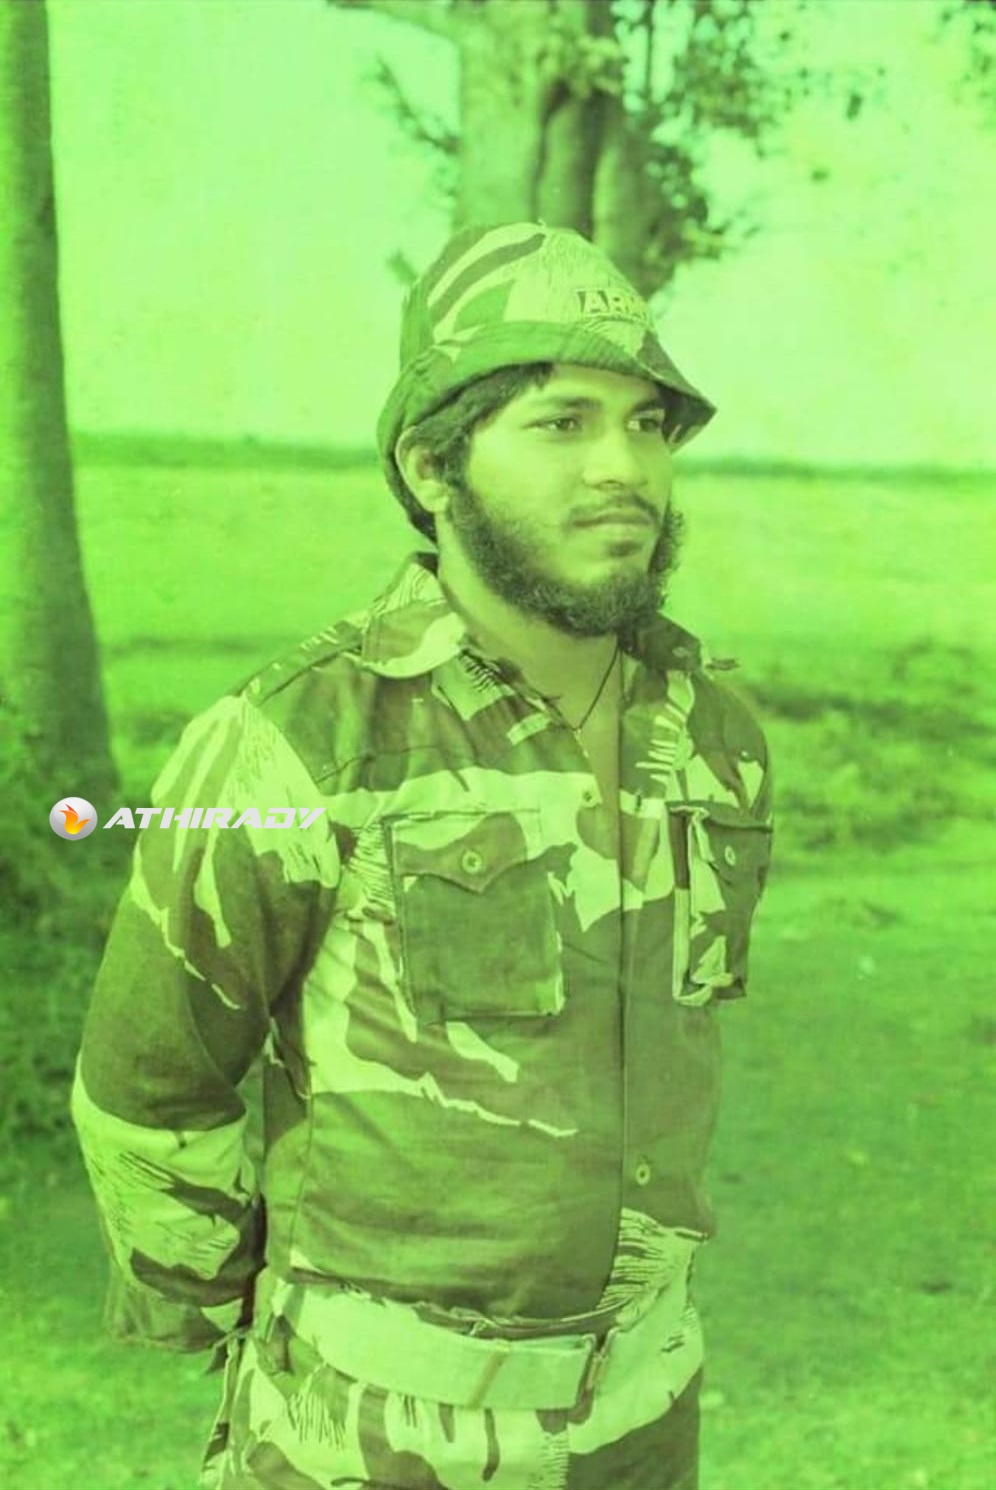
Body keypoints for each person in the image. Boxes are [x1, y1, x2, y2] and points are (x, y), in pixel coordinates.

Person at [71, 221, 773, 1490]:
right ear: (433, 466)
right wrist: (252, 1320)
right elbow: (150, 1085)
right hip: (373, 1438)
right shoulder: (294, 743)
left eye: (648, 424)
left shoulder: (711, 730)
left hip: (648, 1414)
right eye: (561, 422)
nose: (623, 466)